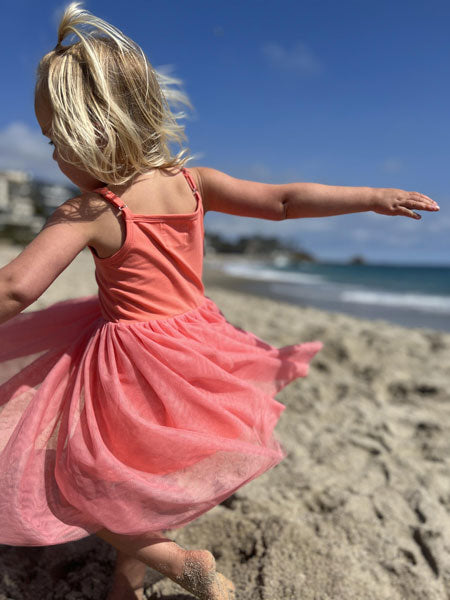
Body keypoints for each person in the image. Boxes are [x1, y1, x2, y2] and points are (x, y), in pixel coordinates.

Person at [0, 3, 439, 599]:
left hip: (130, 361)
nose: (52, 156)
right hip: (196, 348)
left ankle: (180, 565)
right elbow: (284, 201)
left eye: (57, 142)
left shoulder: (92, 210)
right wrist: (371, 195)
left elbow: (17, 287)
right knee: (146, 471)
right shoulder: (193, 183)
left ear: (95, 132)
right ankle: (125, 585)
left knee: (78, 478)